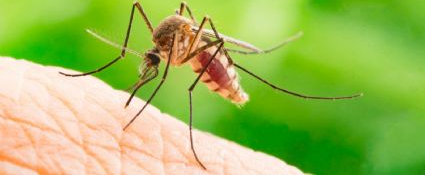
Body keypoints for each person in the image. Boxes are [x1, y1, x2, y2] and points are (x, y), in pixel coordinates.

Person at [0, 57, 302, 174]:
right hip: (193, 46)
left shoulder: (179, 46)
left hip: (207, 51)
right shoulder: (164, 45)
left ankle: (271, 86)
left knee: (195, 71)